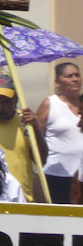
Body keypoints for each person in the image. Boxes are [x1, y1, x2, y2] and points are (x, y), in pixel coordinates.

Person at [0, 74, 47, 202]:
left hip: (22, 199)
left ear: (16, 100)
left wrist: (36, 129)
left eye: (6, 102)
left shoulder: (26, 123)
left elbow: (42, 161)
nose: (0, 108)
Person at [34, 61, 83, 203]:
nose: (75, 79)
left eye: (77, 75)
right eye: (69, 76)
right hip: (57, 175)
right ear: (57, 82)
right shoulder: (50, 104)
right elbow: (36, 138)